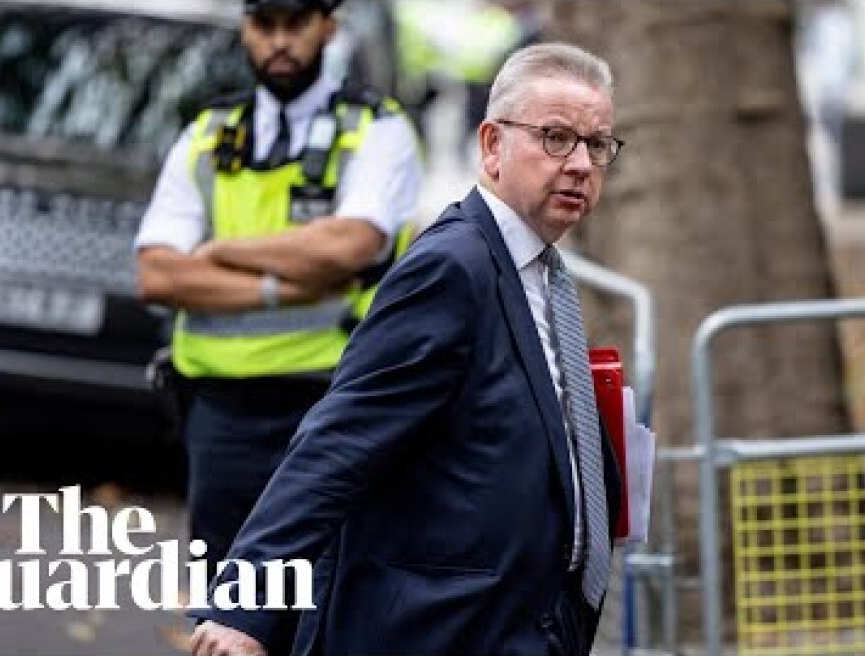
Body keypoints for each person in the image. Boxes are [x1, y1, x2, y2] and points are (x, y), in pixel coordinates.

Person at [190, 42, 624, 656]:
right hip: (440, 630)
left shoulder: (542, 272)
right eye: (556, 138)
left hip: (523, 625)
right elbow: (339, 439)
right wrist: (245, 606)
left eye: (597, 144)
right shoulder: (452, 267)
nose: (580, 163)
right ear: (492, 144)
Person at [133, 0, 420, 648]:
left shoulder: (376, 128)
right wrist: (280, 283)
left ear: (328, 26)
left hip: (332, 405)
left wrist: (218, 251)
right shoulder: (209, 132)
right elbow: (157, 274)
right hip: (221, 414)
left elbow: (350, 245)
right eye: (265, 25)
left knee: (324, 609)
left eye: (296, 24)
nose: (280, 41)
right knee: (224, 611)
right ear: (246, 29)